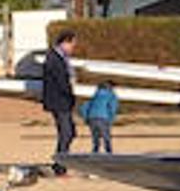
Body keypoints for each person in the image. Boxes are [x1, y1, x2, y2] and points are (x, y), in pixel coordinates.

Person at [40, 31, 79, 161]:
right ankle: (60, 165)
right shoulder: (54, 58)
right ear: (65, 43)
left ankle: (61, 161)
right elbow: (61, 81)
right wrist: (70, 92)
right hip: (59, 101)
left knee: (70, 132)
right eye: (72, 45)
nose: (73, 48)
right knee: (66, 133)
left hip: (63, 100)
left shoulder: (60, 57)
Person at [80, 80, 120, 154]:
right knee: (106, 137)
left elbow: (84, 107)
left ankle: (95, 151)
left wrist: (86, 118)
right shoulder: (111, 95)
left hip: (91, 117)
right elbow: (112, 108)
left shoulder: (95, 96)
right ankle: (109, 152)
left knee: (95, 136)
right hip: (103, 117)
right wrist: (111, 119)